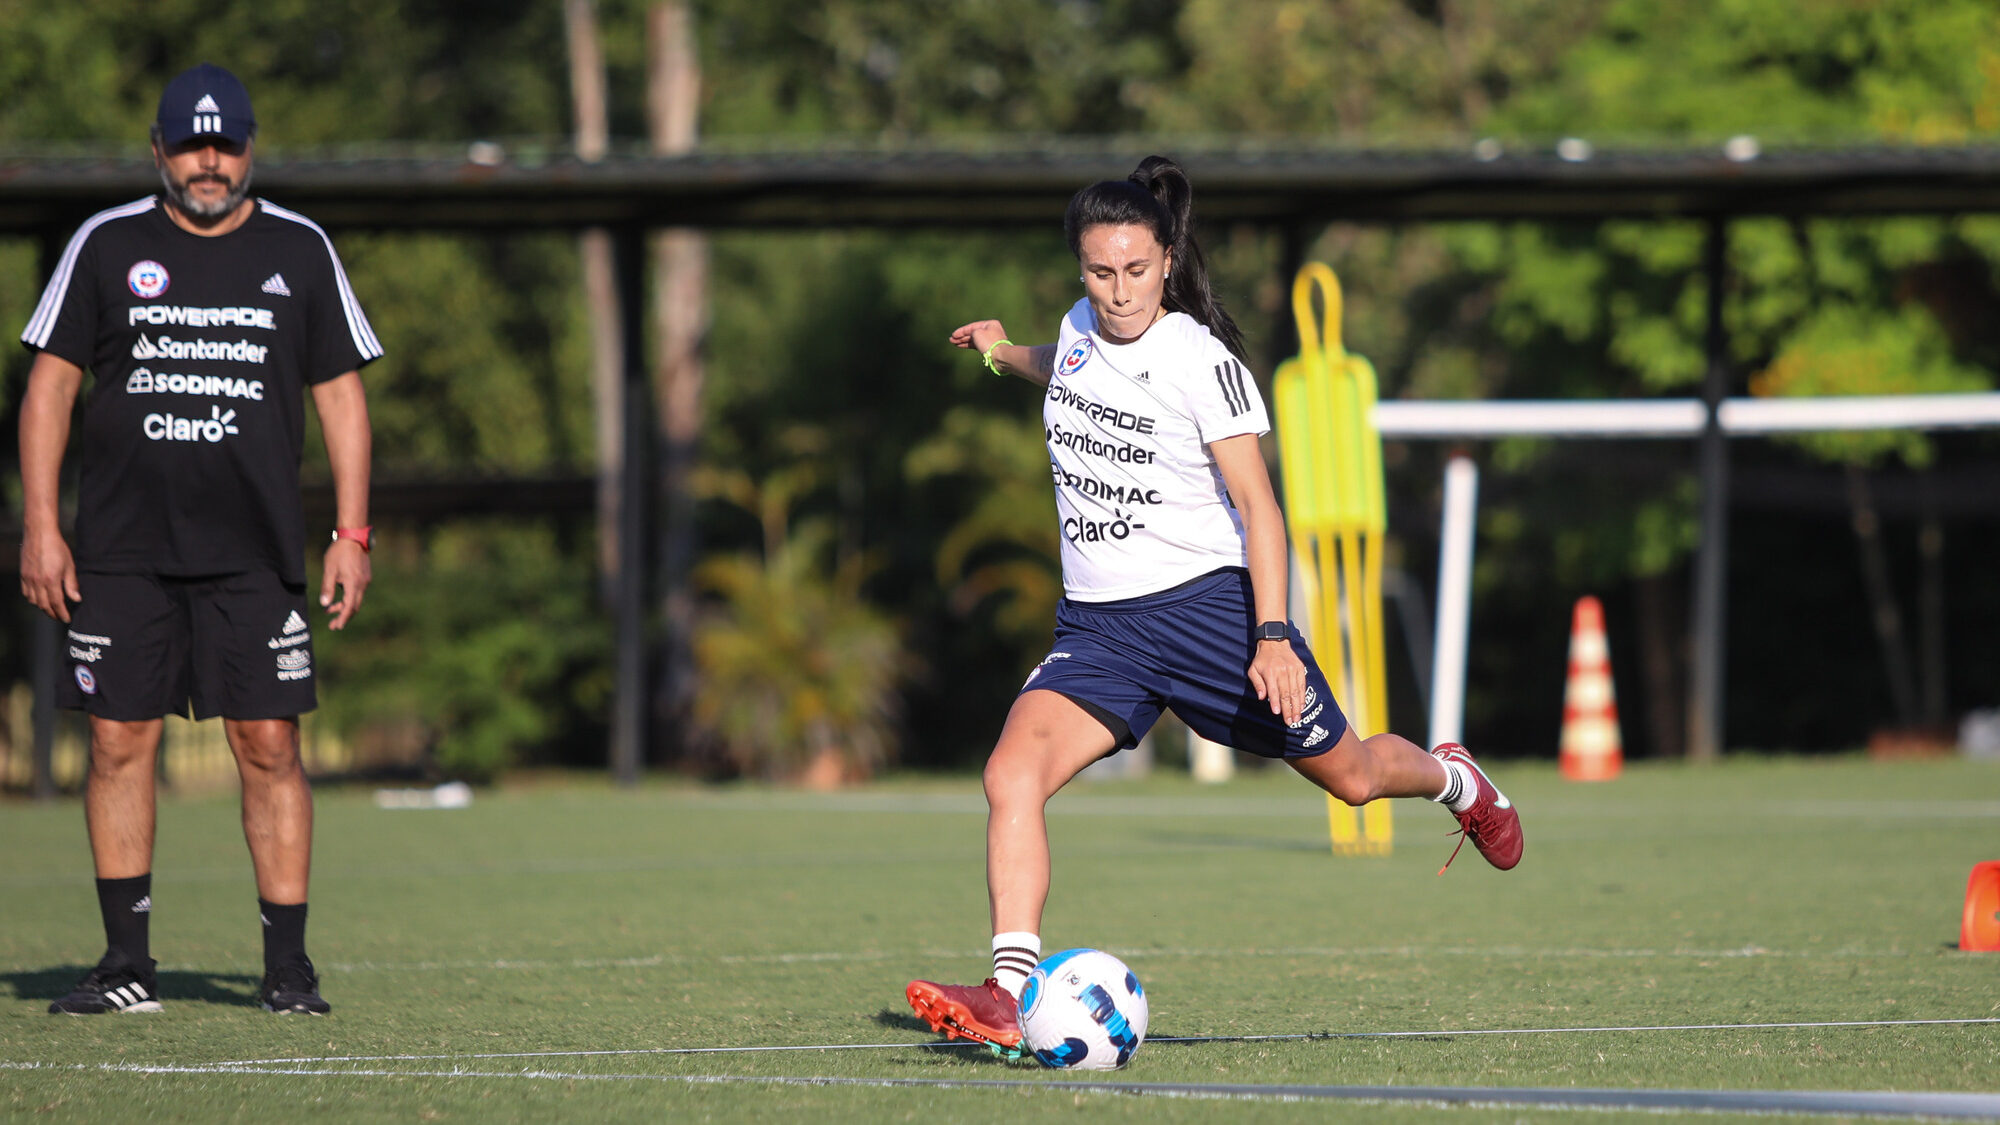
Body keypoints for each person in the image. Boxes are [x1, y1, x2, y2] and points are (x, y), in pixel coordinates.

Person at [904, 156, 1522, 1056]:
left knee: (1351, 779)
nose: (1118, 293)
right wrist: (1005, 353)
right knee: (1011, 774)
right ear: (1080, 268)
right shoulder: (1080, 327)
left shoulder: (1202, 361)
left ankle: (1457, 778)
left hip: (1213, 617)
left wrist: (1271, 635)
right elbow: (1069, 367)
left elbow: (1261, 509)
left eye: (1136, 272)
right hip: (1101, 628)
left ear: (1165, 259)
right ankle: (1005, 992)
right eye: (1100, 272)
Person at [19, 63, 380, 1015]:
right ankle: (126, 965)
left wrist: (352, 534)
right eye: (190, 144)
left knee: (268, 743)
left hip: (256, 553)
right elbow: (50, 388)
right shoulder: (104, 245)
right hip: (121, 551)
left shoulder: (301, 249)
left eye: (224, 144)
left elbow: (342, 398)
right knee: (116, 741)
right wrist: (44, 525)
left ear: (251, 148)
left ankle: (287, 969)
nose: (208, 162)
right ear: (159, 151)